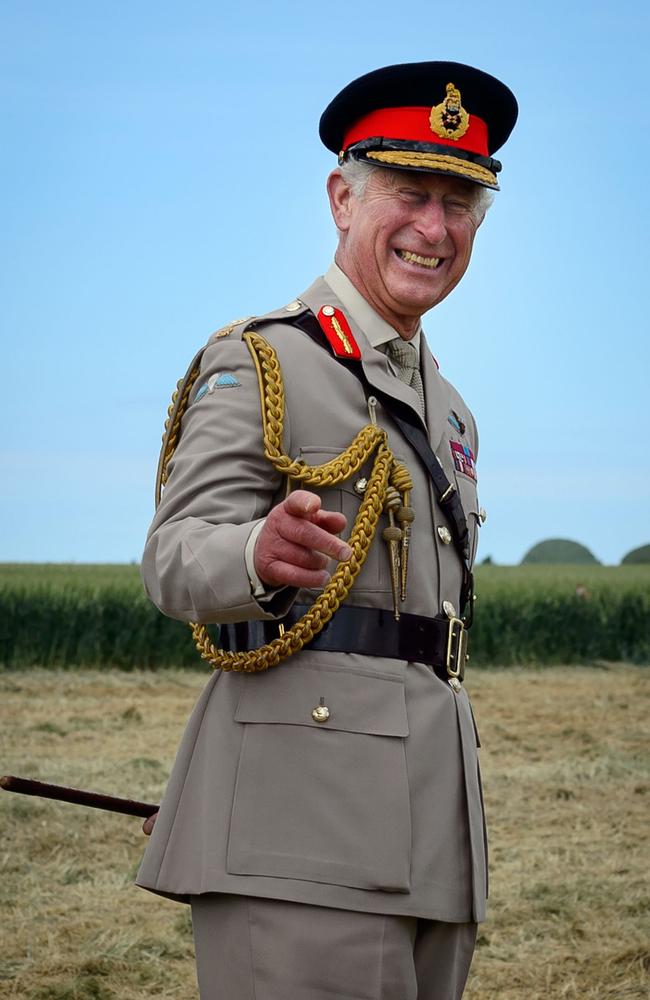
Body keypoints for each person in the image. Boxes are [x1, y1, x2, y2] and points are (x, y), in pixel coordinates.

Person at [138, 61, 518, 1000]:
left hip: (430, 832)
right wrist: (255, 558)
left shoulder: (453, 411)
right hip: (296, 830)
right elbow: (175, 555)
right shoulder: (264, 359)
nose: (436, 228)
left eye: (461, 203)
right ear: (343, 199)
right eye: (410, 194)